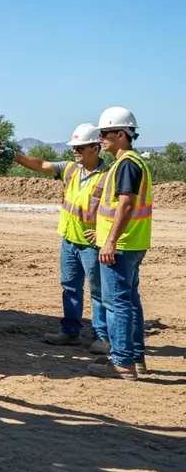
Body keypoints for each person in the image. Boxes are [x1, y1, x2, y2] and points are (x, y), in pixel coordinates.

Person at [7, 123, 108, 352]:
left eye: (81, 148)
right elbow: (42, 165)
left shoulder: (108, 176)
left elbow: (117, 210)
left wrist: (104, 234)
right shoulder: (71, 169)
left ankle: (102, 337)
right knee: (70, 287)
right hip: (69, 240)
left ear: (95, 147)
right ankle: (71, 332)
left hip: (92, 244)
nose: (76, 151)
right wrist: (15, 156)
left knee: (98, 291)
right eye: (75, 147)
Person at [88, 106, 153, 380]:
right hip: (133, 244)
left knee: (117, 304)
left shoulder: (126, 164)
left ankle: (122, 362)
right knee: (130, 302)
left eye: (106, 133)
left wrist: (109, 242)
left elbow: (125, 204)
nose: (101, 138)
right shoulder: (133, 162)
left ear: (123, 134)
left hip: (121, 245)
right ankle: (136, 359)